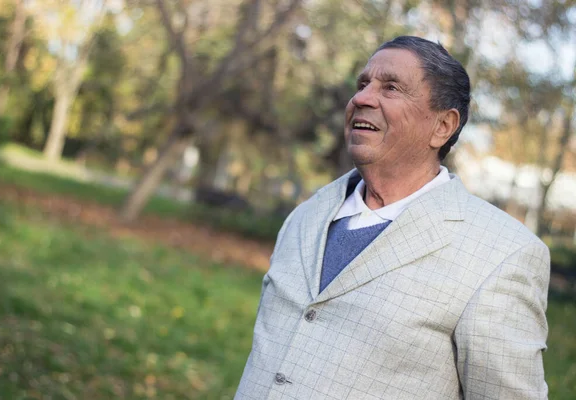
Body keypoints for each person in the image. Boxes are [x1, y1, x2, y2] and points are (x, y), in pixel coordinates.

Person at [235, 36, 550, 400]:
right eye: (363, 84)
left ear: (443, 126)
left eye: (391, 88)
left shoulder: (503, 255)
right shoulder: (307, 215)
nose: (362, 98)